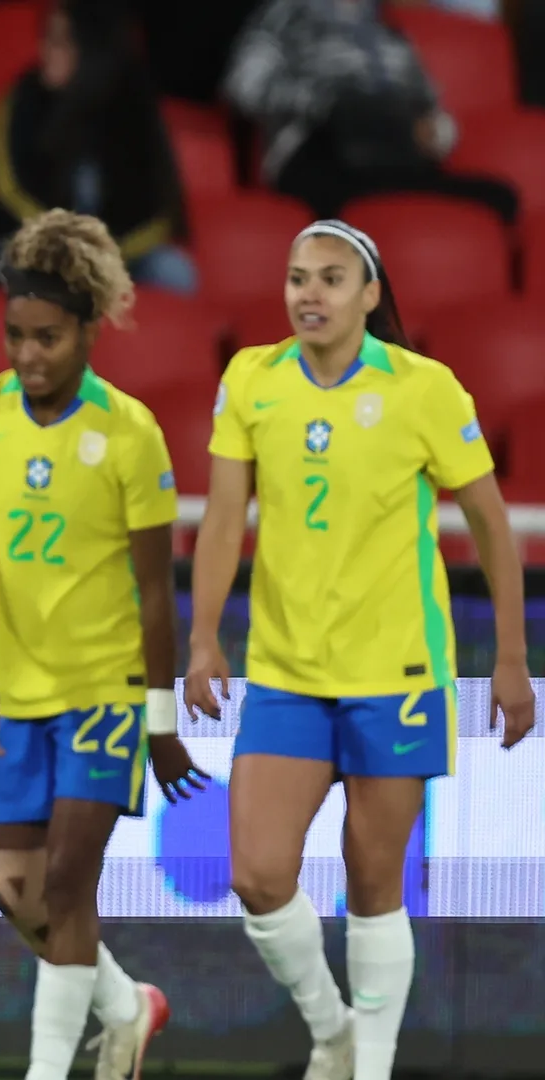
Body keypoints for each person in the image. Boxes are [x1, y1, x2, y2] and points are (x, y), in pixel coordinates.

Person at [186, 220, 536, 1080]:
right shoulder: (252, 380)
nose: (310, 292)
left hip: (399, 676)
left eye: (332, 278)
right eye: (298, 276)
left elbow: (491, 522)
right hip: (286, 674)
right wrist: (202, 639)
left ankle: (365, 1066)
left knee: (374, 884)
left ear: (370, 294)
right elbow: (226, 518)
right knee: (258, 875)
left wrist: (512, 656)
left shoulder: (424, 389)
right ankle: (332, 1029)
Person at [0, 210, 209, 1080]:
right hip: (17, 693)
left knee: (65, 885)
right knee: (13, 893)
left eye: (48, 337)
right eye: (16, 335)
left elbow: (154, 593)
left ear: (87, 330)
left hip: (103, 692)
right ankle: (130, 1005)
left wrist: (159, 721)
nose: (28, 355)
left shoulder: (130, 433)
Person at [224, 0, 519, 222]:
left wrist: (437, 133)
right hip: (319, 150)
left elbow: (432, 109)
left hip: (395, 153)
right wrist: (323, 103)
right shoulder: (284, 14)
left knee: (500, 197)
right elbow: (243, 85)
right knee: (358, 115)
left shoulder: (389, 33)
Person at [0, 1, 197, 295]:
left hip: (121, 255)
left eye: (61, 41)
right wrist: (65, 245)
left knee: (175, 272)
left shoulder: (134, 104)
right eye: (46, 37)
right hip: (42, 246)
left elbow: (159, 207)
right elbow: (9, 188)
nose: (47, 49)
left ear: (90, 47)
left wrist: (106, 253)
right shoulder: (23, 98)